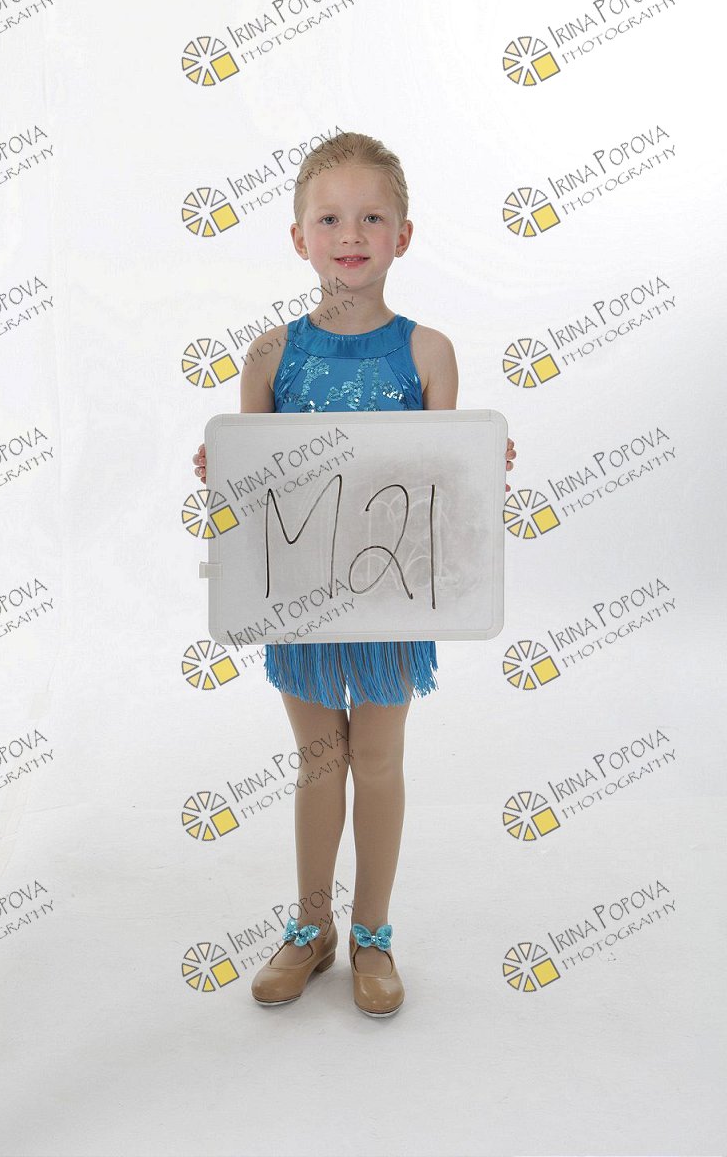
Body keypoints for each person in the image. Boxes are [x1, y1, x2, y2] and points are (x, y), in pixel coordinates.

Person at [193, 131, 517, 1016]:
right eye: (330, 218)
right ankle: (311, 928)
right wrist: (222, 471)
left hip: (393, 594)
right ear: (298, 236)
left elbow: (439, 484)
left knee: (375, 757)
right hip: (298, 597)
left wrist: (480, 465)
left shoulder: (428, 352)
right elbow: (252, 492)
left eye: (372, 218)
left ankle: (372, 931)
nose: (351, 234)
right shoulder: (269, 354)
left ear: (402, 236)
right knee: (318, 759)